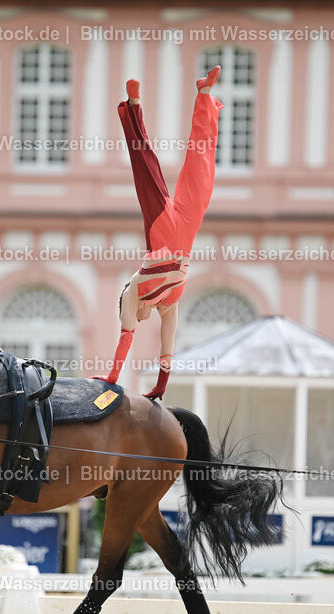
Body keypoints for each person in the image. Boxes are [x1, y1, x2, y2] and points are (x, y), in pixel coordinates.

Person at [94, 66, 223, 399]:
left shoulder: (133, 292)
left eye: (135, 314)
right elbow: (168, 346)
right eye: (138, 315)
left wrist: (111, 378)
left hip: (162, 228)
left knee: (145, 166)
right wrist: (161, 387)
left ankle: (134, 105)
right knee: (202, 165)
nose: (138, 316)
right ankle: (204, 94)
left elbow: (127, 335)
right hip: (189, 226)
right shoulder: (168, 307)